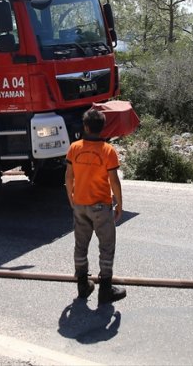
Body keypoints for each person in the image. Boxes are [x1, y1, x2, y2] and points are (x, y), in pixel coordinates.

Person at [65, 108, 127, 304]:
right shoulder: (108, 151)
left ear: (85, 127)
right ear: (103, 129)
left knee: (80, 245)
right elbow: (114, 181)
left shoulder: (74, 148)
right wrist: (119, 203)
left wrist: (71, 197)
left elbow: (68, 176)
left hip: (80, 205)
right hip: (101, 207)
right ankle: (106, 289)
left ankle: (83, 285)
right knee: (106, 247)